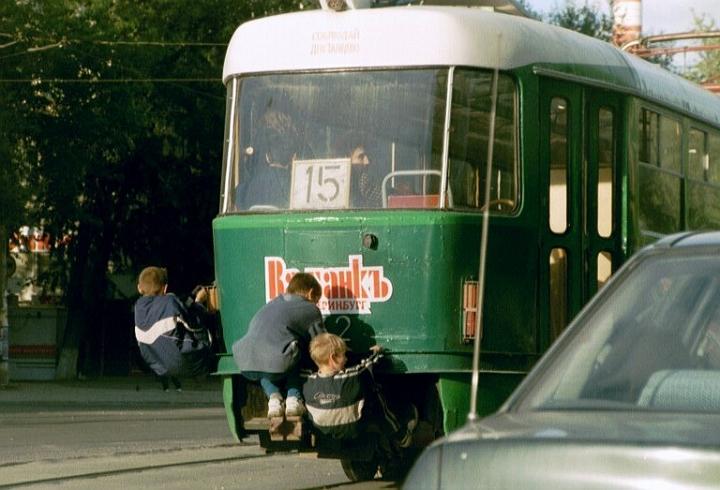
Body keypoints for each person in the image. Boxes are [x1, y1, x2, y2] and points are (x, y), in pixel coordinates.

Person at [232, 272, 325, 418]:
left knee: (264, 361)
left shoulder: (272, 303)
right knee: (303, 349)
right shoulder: (310, 308)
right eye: (316, 300)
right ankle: (294, 399)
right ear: (310, 293)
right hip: (277, 362)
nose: (316, 304)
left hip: (245, 362)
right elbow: (321, 343)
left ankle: (274, 399)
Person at [302, 333, 418, 448]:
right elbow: (370, 361)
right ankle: (399, 434)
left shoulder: (308, 381)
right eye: (344, 355)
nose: (347, 359)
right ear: (333, 358)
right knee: (375, 392)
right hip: (354, 427)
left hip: (322, 430)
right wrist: (376, 351)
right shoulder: (352, 376)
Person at [134, 266, 213, 392]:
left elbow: (167, 311)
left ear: (139, 288)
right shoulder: (170, 300)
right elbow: (194, 320)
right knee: (203, 324)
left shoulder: (138, 308)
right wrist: (198, 302)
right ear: (165, 288)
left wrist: (189, 298)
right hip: (188, 363)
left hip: (158, 366)